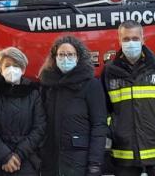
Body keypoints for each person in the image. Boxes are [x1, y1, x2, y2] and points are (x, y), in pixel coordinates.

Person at [101, 20, 155, 176]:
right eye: (126, 39)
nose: (131, 43)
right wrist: (113, 127)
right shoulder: (110, 71)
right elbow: (101, 107)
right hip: (125, 153)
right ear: (119, 41)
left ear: (143, 39)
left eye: (135, 39)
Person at [39, 35, 108, 176]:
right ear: (54, 58)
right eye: (61, 54)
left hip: (79, 162)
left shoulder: (91, 85)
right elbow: (40, 123)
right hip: (51, 163)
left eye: (70, 54)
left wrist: (95, 164)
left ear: (78, 57)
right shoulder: (47, 86)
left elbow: (99, 126)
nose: (65, 58)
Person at [0, 47, 46, 176]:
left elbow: (40, 128)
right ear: (0, 69)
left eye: (16, 65)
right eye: (7, 66)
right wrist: (5, 156)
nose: (11, 69)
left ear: (23, 69)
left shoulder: (34, 95)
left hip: (26, 160)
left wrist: (18, 155)